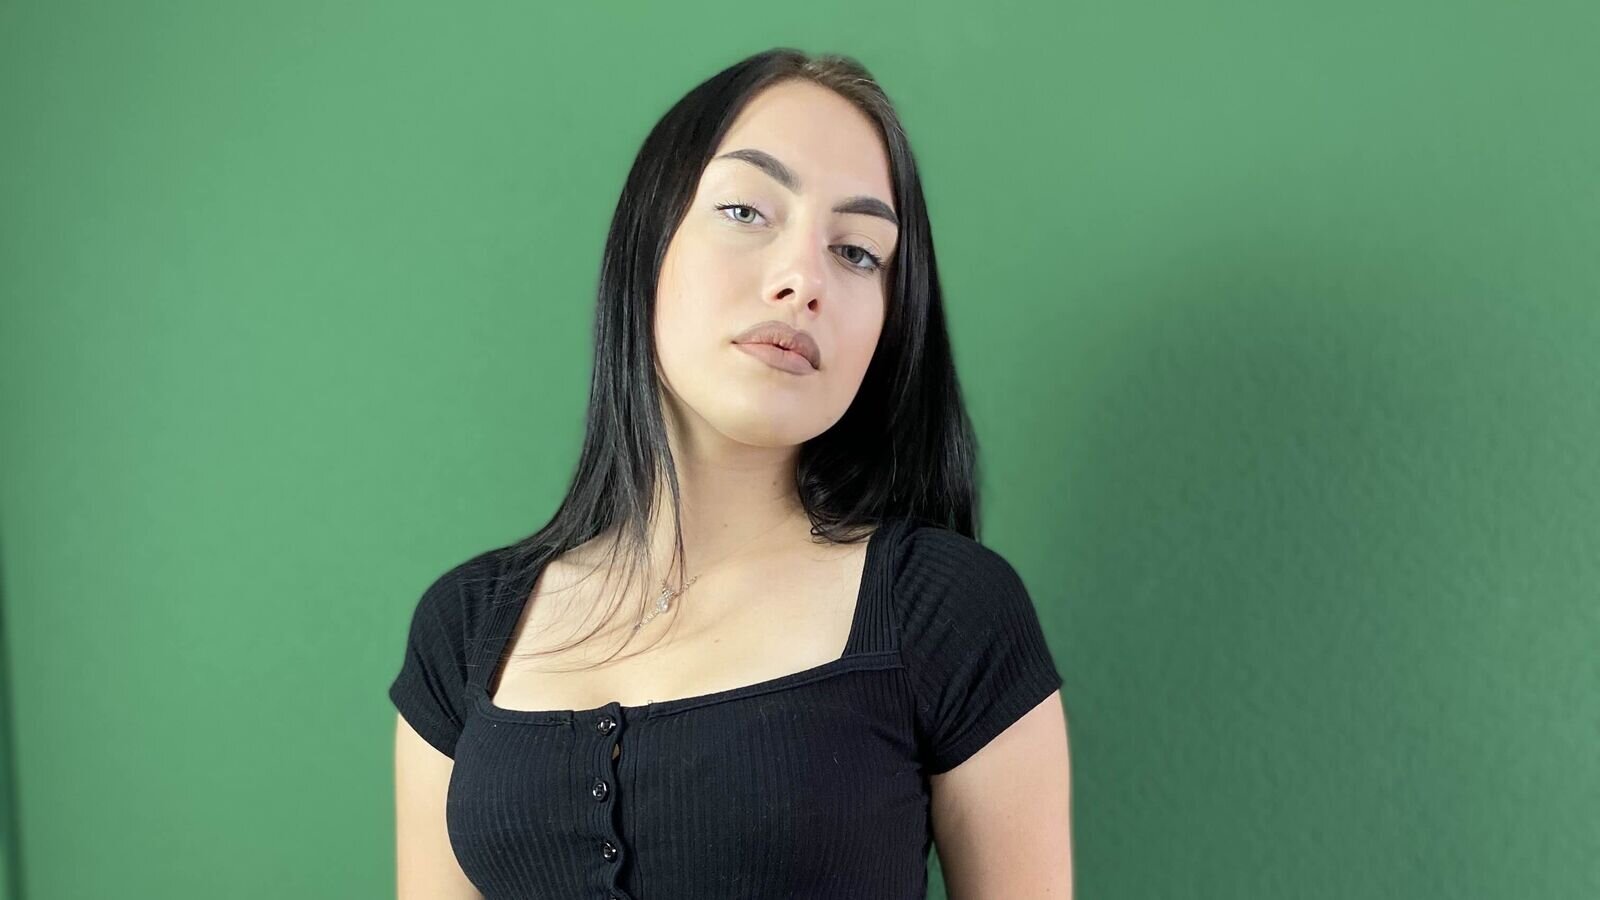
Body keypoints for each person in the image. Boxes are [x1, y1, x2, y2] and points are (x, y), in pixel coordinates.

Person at [390, 46, 1073, 900]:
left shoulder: (946, 610)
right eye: (747, 209)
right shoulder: (465, 628)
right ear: (648, 242)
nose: (803, 281)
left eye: (858, 252)